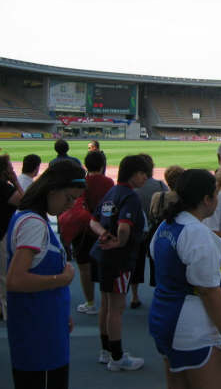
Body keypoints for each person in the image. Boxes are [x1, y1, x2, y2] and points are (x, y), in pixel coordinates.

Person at [149, 169, 221, 389]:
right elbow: (209, 291)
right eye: (215, 195)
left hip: (165, 317)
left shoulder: (167, 224)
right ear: (207, 200)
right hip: (194, 327)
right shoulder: (196, 233)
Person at [5, 160, 86, 389]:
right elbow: (16, 280)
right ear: (52, 190)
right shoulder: (34, 225)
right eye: (68, 198)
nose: (70, 205)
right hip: (39, 331)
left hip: (42, 323)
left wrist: (61, 313)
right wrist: (62, 279)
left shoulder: (28, 216)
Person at [89, 154, 149, 371]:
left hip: (102, 256)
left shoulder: (111, 192)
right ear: (133, 173)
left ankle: (106, 351)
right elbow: (124, 227)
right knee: (117, 307)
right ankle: (117, 357)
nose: (145, 178)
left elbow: (93, 221)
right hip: (119, 260)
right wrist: (118, 242)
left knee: (105, 304)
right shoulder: (130, 197)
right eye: (143, 173)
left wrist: (104, 233)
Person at [72, 151, 114, 315]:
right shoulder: (109, 182)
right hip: (103, 228)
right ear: (102, 165)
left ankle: (90, 302)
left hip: (83, 230)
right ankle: (107, 301)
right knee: (105, 265)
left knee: (84, 268)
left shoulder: (82, 182)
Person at [131, 154, 168, 309]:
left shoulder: (132, 188)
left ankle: (134, 296)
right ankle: (158, 295)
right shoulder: (160, 185)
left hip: (137, 231)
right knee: (158, 265)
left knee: (136, 263)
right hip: (156, 230)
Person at [147, 165, 185, 287]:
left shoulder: (158, 196)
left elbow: (151, 215)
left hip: (158, 236)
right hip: (178, 237)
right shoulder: (185, 199)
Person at [0, 154, 24, 321]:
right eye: (10, 167)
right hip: (2, 235)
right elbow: (26, 202)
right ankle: (5, 311)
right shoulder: (6, 188)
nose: (13, 169)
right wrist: (15, 181)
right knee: (3, 275)